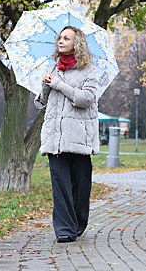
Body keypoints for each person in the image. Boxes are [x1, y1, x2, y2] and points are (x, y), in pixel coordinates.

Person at [34, 26, 99, 243]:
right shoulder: (54, 68)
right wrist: (46, 86)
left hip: (79, 139)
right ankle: (64, 229)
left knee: (80, 187)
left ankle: (78, 223)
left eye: (66, 38)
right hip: (55, 139)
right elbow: (40, 103)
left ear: (76, 43)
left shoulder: (89, 70)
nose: (60, 41)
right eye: (59, 38)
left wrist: (60, 85)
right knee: (60, 186)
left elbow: (86, 99)